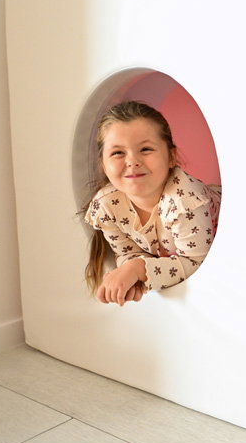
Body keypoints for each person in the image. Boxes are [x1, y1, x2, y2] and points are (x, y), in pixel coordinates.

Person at [83, 100, 221, 305]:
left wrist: (138, 269)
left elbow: (195, 262)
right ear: (103, 164)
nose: (132, 161)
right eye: (118, 153)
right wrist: (134, 277)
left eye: (146, 149)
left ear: (171, 157)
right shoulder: (106, 206)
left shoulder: (185, 201)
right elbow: (128, 252)